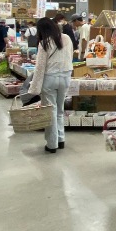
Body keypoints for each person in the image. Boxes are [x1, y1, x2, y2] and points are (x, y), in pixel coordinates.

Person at [28, 17, 74, 153]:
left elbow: (40, 67)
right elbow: (70, 57)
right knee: (60, 110)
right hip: (65, 77)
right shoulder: (66, 38)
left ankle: (52, 144)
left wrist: (34, 85)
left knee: (50, 111)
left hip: (50, 79)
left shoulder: (44, 43)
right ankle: (61, 139)